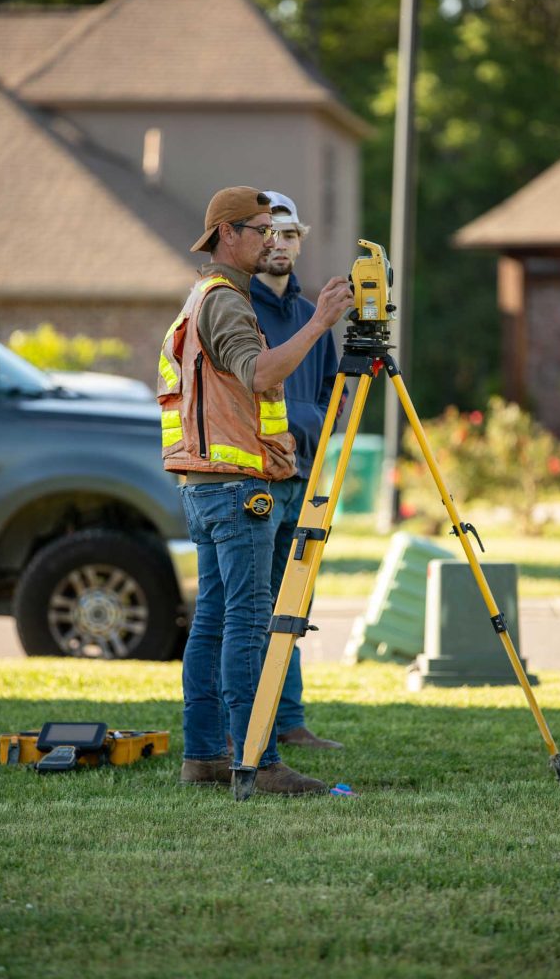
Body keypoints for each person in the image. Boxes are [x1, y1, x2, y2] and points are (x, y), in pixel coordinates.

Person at [157, 186, 354, 796]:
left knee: (214, 619)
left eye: (277, 230)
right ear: (225, 234)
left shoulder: (207, 298)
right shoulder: (224, 303)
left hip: (210, 483)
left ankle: (207, 758)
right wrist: (322, 322)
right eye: (261, 229)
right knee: (246, 623)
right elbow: (262, 373)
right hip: (239, 486)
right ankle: (259, 763)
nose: (272, 240)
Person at [249, 190, 346, 750]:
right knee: (254, 609)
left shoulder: (315, 317)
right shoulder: (239, 308)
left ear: (299, 242)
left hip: (304, 479)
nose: (278, 244)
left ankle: (289, 721)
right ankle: (252, 722)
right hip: (257, 478)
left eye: (288, 235)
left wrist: (315, 430)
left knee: (292, 606)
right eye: (268, 234)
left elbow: (330, 390)